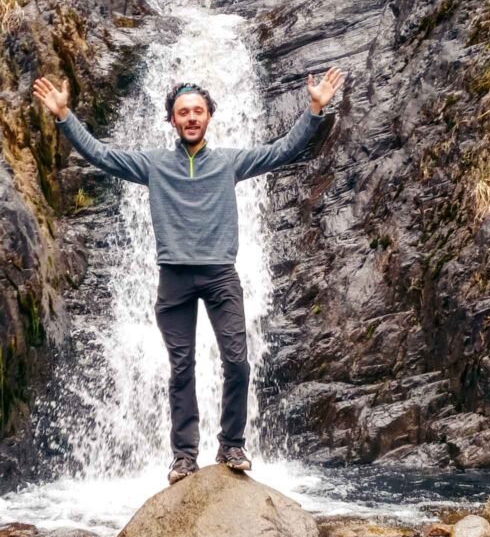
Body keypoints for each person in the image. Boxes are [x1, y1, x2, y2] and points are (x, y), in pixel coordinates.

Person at [33, 68, 344, 484]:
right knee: (181, 370)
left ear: (209, 116)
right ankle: (184, 457)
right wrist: (64, 116)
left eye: (198, 110)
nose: (192, 117)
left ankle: (232, 445)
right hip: (174, 280)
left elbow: (282, 150)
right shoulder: (154, 165)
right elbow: (102, 155)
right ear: (173, 121)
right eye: (184, 112)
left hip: (220, 277)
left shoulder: (229, 161)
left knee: (237, 363)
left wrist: (315, 109)